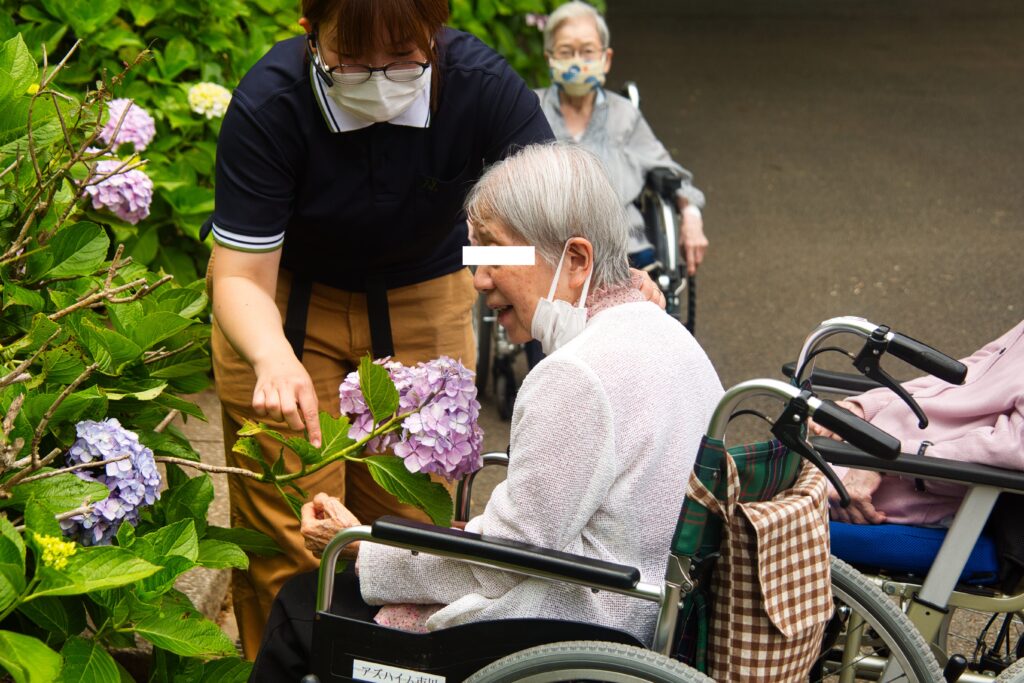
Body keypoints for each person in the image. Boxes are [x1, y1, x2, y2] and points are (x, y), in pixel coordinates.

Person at [250, 143, 724, 679]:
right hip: (648, 613)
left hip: (578, 631)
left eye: (496, 253)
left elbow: (502, 561)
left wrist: (362, 548)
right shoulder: (674, 339)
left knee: (302, 606)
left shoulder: (576, 374)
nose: (478, 279)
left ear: (575, 260)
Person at [206, 0, 562, 657]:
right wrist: (270, 355)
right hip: (285, 305)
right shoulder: (271, 102)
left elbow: (551, 226)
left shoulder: (482, 90)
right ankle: (286, 668)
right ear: (310, 32)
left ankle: (394, 668)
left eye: (402, 59)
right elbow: (237, 277)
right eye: (350, 61)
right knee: (294, 535)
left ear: (437, 34)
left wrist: (496, 272)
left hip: (423, 294)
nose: (377, 78)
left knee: (410, 536)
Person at [535, 1, 709, 276]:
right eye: (566, 51)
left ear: (606, 59)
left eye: (588, 51)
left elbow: (668, 170)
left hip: (623, 250)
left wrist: (691, 216)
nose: (578, 60)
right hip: (545, 250)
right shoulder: (530, 109)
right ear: (550, 59)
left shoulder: (624, 116)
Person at [809, 319, 1024, 526]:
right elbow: (965, 373)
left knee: (780, 509)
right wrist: (863, 407)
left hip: (898, 487)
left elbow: (1013, 449)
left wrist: (886, 461)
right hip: (869, 450)